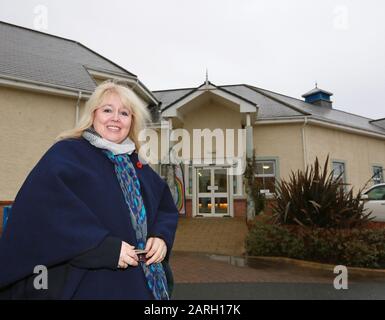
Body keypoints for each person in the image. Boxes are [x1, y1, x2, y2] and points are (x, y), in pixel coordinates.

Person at [0, 80, 179, 300]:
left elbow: (164, 206)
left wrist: (161, 237)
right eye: (107, 110)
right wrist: (102, 246)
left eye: (124, 113)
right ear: (93, 115)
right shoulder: (67, 154)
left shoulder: (138, 164)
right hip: (89, 284)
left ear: (132, 122)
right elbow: (45, 211)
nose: (115, 118)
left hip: (142, 285)